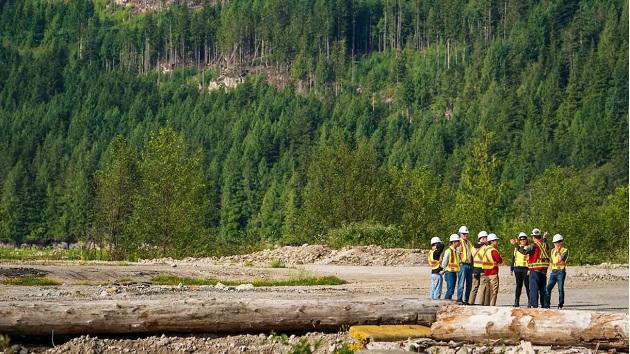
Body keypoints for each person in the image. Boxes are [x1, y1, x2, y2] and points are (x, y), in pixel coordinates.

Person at [510, 228, 550, 308]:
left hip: (534, 270)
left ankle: (534, 305)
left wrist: (516, 245)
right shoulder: (545, 245)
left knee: (533, 288)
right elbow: (544, 241)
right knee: (543, 289)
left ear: (533, 237)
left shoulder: (533, 246)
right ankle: (545, 305)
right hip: (544, 270)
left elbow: (524, 252)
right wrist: (545, 237)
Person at [546, 234, 569, 309]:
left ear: (561, 242)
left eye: (558, 242)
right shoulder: (552, 251)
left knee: (560, 288)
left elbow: (561, 261)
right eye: (555, 242)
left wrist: (558, 251)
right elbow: (552, 261)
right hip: (554, 272)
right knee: (548, 288)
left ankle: (560, 304)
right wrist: (551, 265)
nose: (556, 244)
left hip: (561, 272)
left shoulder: (565, 250)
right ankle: (547, 304)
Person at [511, 232, 530, 307]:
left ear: (526, 240)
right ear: (519, 240)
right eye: (521, 239)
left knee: (527, 286)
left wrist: (529, 269)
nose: (523, 241)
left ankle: (530, 301)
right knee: (518, 285)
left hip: (526, 269)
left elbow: (524, 253)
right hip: (517, 269)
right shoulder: (516, 248)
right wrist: (511, 269)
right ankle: (516, 301)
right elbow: (513, 258)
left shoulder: (528, 247)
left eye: (524, 239)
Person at [469, 231, 488, 305]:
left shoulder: (473, 247)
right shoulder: (485, 247)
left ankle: (471, 302)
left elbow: (471, 259)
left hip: (475, 269)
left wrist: (473, 270)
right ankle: (480, 304)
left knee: (474, 288)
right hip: (483, 270)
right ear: (484, 238)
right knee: (482, 288)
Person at [482, 233, 502, 306]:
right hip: (493, 273)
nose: (496, 242)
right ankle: (492, 306)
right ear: (492, 241)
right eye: (496, 240)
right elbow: (499, 260)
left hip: (486, 273)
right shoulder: (493, 250)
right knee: (493, 291)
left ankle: (486, 306)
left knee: (487, 291)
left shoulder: (485, 249)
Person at [456, 225, 473, 305]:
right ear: (460, 234)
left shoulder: (469, 243)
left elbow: (473, 252)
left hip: (469, 265)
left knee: (469, 284)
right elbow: (456, 254)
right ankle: (459, 299)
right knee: (461, 284)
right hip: (462, 265)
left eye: (466, 233)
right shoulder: (458, 242)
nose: (466, 235)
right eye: (464, 233)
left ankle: (466, 300)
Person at [441, 234, 461, 300]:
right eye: (458, 241)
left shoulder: (456, 251)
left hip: (454, 272)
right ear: (454, 242)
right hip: (449, 272)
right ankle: (446, 302)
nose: (459, 242)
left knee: (451, 289)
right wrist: (444, 269)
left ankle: (447, 301)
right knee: (450, 290)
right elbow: (444, 262)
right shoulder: (448, 251)